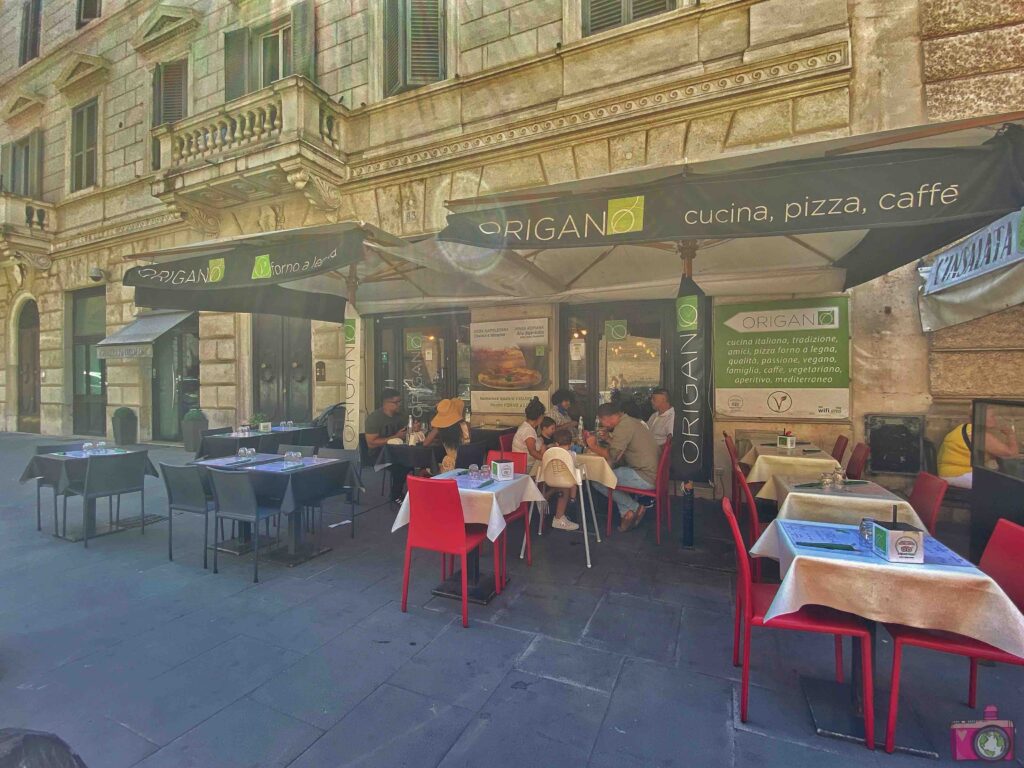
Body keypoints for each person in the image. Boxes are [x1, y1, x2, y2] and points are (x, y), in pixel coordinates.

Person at [585, 400, 659, 532]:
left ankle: (634, 507)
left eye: (601, 421)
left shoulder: (623, 427)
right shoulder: (630, 421)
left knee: (598, 480)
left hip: (645, 476)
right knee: (613, 475)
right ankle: (627, 513)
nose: (602, 424)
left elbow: (613, 456)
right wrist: (608, 439)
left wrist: (593, 446)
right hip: (652, 473)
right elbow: (622, 448)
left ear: (606, 418)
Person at [938, 413, 1018, 489]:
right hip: (958, 474)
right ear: (982, 418)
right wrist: (1010, 435)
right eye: (992, 416)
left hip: (948, 473)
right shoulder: (978, 434)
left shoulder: (965, 427)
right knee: (1005, 485)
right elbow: (1011, 453)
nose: (995, 419)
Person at [365, 388, 407, 501]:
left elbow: (404, 434)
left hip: (398, 451)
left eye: (400, 402)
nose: (399, 405)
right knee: (401, 466)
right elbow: (371, 443)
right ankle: (395, 496)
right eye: (396, 402)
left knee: (414, 460)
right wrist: (396, 437)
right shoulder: (374, 418)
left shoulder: (401, 416)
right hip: (379, 454)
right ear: (386, 403)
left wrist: (413, 430)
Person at [542, 428, 580, 531]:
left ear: (556, 444)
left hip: (549, 479)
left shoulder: (549, 453)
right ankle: (570, 504)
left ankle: (560, 516)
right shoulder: (572, 454)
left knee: (564, 486)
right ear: (571, 443)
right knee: (571, 483)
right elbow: (575, 467)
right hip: (566, 481)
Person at [424, 398, 471, 473]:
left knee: (425, 470)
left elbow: (425, 443)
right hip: (467, 463)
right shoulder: (466, 425)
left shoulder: (439, 427)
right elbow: (467, 443)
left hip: (449, 466)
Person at [512, 397, 549, 473]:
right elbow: (533, 452)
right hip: (525, 466)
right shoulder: (528, 431)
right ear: (540, 417)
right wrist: (547, 459)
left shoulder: (527, 426)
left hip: (524, 462)